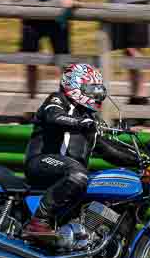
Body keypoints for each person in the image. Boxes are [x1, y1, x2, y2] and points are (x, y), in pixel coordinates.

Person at [22, 63, 141, 242]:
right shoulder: (57, 99)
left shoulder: (90, 119)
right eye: (91, 89)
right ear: (75, 85)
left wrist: (142, 159)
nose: (96, 94)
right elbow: (54, 117)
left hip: (69, 174)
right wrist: (80, 123)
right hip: (41, 162)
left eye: (98, 90)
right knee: (77, 173)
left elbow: (109, 150)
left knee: (101, 191)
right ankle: (39, 221)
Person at [13, 0, 81, 98]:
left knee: (63, 60)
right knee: (30, 60)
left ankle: (65, 104)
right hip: (32, 9)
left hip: (60, 9)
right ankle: (30, 105)